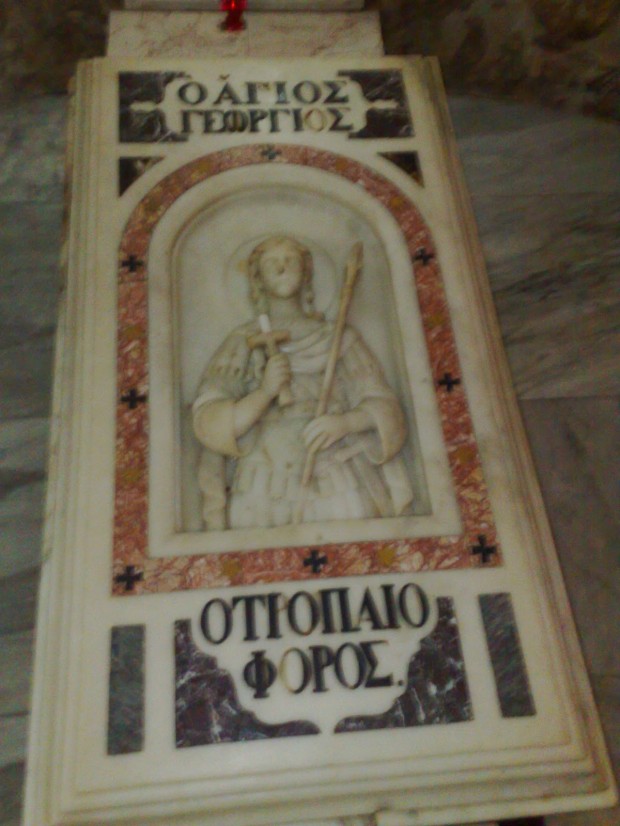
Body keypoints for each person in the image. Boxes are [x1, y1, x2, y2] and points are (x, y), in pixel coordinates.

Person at [192, 235, 413, 530]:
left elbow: (385, 406)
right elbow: (210, 422)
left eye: (290, 260)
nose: (281, 268)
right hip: (264, 478)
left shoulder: (337, 337)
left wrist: (346, 422)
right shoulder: (242, 342)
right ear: (257, 278)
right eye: (271, 263)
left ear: (306, 272)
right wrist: (264, 392)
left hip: (335, 471)